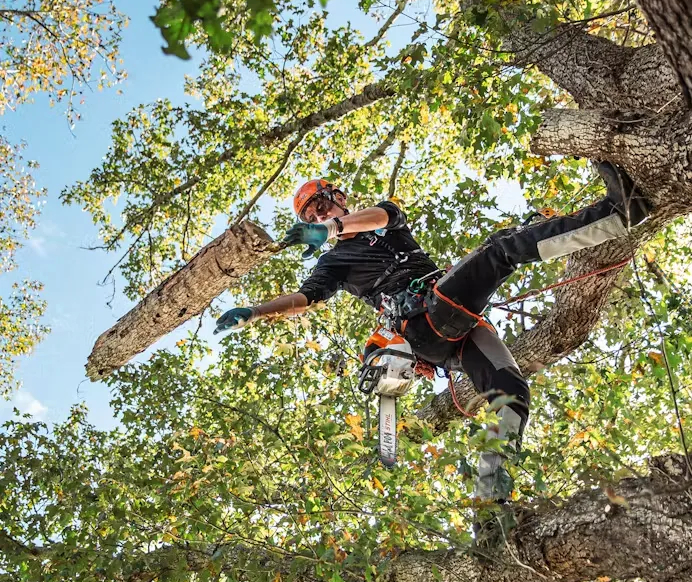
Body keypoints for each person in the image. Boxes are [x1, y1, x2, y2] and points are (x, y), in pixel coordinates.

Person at [215, 165, 651, 501]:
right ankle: (617, 214)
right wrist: (254, 312)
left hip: (452, 319)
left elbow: (384, 215)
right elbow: (305, 298)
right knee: (499, 252)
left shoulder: (380, 218)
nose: (320, 214)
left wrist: (330, 228)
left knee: (512, 393)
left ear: (338, 199)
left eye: (322, 206)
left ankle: (489, 498)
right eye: (311, 214)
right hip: (422, 320)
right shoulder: (331, 265)